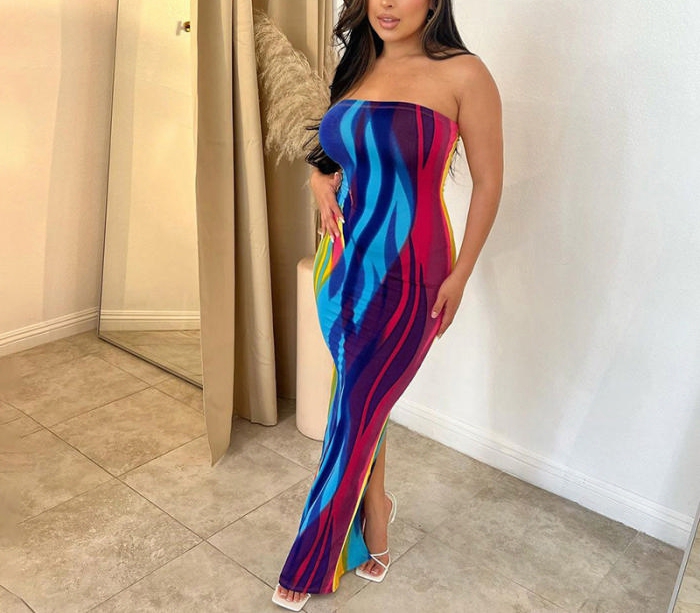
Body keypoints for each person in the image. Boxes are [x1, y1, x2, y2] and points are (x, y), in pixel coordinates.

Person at [272, 0, 502, 609]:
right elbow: (339, 154)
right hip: (340, 266)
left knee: (353, 409)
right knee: (360, 401)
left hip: (413, 274)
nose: (389, 3)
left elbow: (489, 182)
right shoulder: (357, 64)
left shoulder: (465, 74)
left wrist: (461, 276)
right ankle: (376, 513)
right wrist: (318, 178)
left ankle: (312, 558)